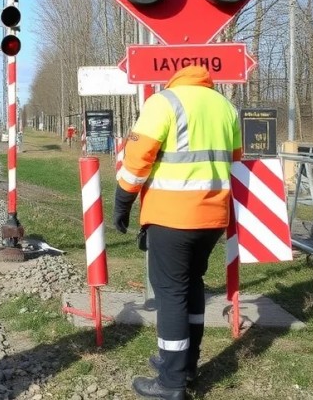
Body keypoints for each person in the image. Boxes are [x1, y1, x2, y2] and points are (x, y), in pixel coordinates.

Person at [113, 65, 242, 400]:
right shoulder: (226, 108)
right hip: (213, 218)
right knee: (193, 285)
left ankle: (171, 383)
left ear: (173, 80)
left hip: (172, 217)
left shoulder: (163, 102)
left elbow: (137, 158)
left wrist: (122, 203)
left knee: (171, 294)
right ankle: (186, 365)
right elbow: (236, 158)